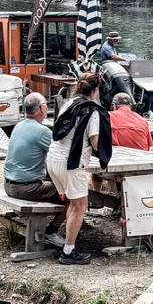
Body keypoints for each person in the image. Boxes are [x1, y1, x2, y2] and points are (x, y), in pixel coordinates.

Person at [46, 73, 113, 265]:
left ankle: (57, 235)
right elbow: (95, 141)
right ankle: (68, 251)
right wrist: (107, 150)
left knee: (73, 202)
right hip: (71, 163)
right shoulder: (92, 111)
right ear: (95, 91)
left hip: (53, 159)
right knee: (80, 206)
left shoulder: (68, 104)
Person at [3, 93, 68, 238]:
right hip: (25, 188)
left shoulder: (19, 126)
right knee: (73, 194)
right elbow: (62, 155)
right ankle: (52, 231)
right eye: (46, 103)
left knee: (57, 185)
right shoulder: (42, 131)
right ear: (41, 108)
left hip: (9, 185)